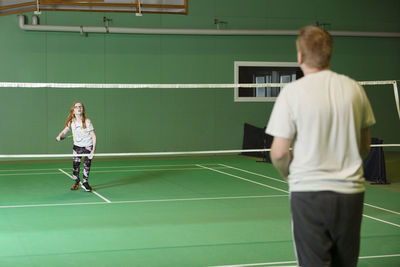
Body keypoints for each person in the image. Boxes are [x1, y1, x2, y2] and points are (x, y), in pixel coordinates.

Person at [266, 25, 375, 267]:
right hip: (351, 194)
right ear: (329, 54)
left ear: (300, 56)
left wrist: (289, 176)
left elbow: (280, 153)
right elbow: (364, 145)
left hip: (309, 194)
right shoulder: (354, 89)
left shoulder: (292, 93)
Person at [56, 102, 97, 192]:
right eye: (76, 107)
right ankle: (76, 181)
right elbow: (64, 131)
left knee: (87, 165)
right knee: (76, 166)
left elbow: (93, 136)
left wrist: (93, 151)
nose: (79, 108)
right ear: (73, 110)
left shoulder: (87, 121)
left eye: (81, 107)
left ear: (83, 110)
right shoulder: (71, 122)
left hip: (87, 146)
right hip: (77, 147)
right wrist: (60, 135)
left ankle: (85, 183)